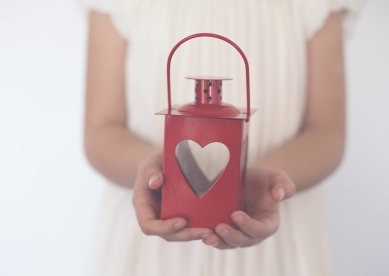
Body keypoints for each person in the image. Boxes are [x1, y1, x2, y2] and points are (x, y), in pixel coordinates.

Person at [81, 0, 364, 275]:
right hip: (152, 236)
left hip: (273, 237)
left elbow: (327, 133)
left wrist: (256, 182)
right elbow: (101, 130)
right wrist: (156, 173)